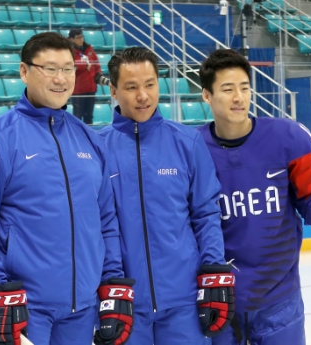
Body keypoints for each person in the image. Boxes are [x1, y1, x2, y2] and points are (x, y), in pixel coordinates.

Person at [0, 32, 134, 345]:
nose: (61, 79)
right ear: (24, 71)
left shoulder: (89, 138)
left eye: (68, 69)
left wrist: (112, 282)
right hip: (25, 308)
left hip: (83, 308)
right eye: (50, 69)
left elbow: (106, 221)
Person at [196, 48, 311, 345]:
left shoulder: (290, 138)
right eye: (227, 89)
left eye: (245, 88)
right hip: (217, 299)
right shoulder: (191, 149)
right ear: (206, 95)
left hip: (279, 301)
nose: (239, 97)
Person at [98, 46, 235, 345]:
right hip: (125, 303)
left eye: (150, 84)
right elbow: (94, 226)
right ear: (113, 90)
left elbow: (206, 213)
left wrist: (212, 271)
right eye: (131, 87)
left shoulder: (187, 142)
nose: (143, 96)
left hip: (184, 302)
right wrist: (111, 285)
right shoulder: (96, 149)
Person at [69, 28, 110, 125]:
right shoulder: (69, 51)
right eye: (78, 38)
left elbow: (97, 65)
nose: (81, 39)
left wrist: (99, 74)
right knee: (77, 117)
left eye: (82, 37)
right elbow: (71, 66)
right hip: (78, 91)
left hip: (91, 89)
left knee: (89, 117)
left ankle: (89, 138)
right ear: (71, 39)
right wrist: (84, 64)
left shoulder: (89, 49)